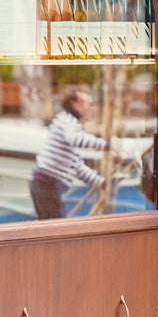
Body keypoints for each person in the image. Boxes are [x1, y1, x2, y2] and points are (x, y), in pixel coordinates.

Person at [30, 86, 109, 219]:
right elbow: (76, 140)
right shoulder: (66, 120)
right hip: (46, 186)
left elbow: (76, 165)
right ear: (75, 104)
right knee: (55, 229)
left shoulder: (68, 123)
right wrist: (105, 145)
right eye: (89, 104)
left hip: (48, 187)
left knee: (56, 227)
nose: (92, 108)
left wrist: (101, 182)